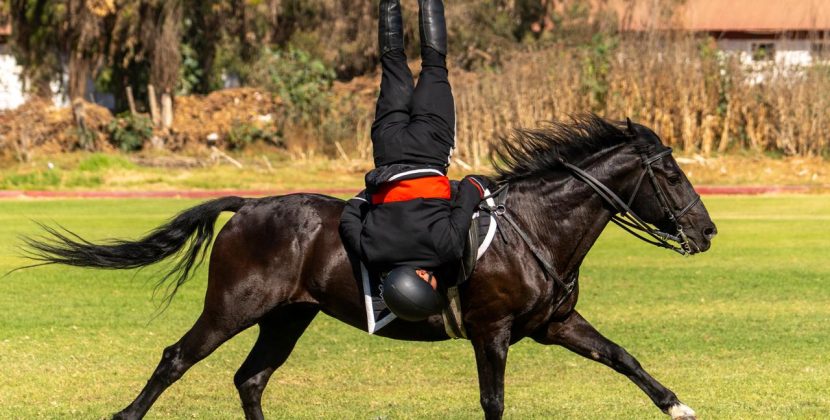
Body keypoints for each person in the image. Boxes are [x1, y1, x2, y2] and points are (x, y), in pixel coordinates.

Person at [339, 0, 486, 289]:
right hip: (387, 152)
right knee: (392, 63)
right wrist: (368, 194)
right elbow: (348, 217)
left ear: (420, 276)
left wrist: (481, 186)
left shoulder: (446, 251)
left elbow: (470, 189)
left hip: (430, 149)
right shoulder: (373, 254)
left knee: (434, 66)